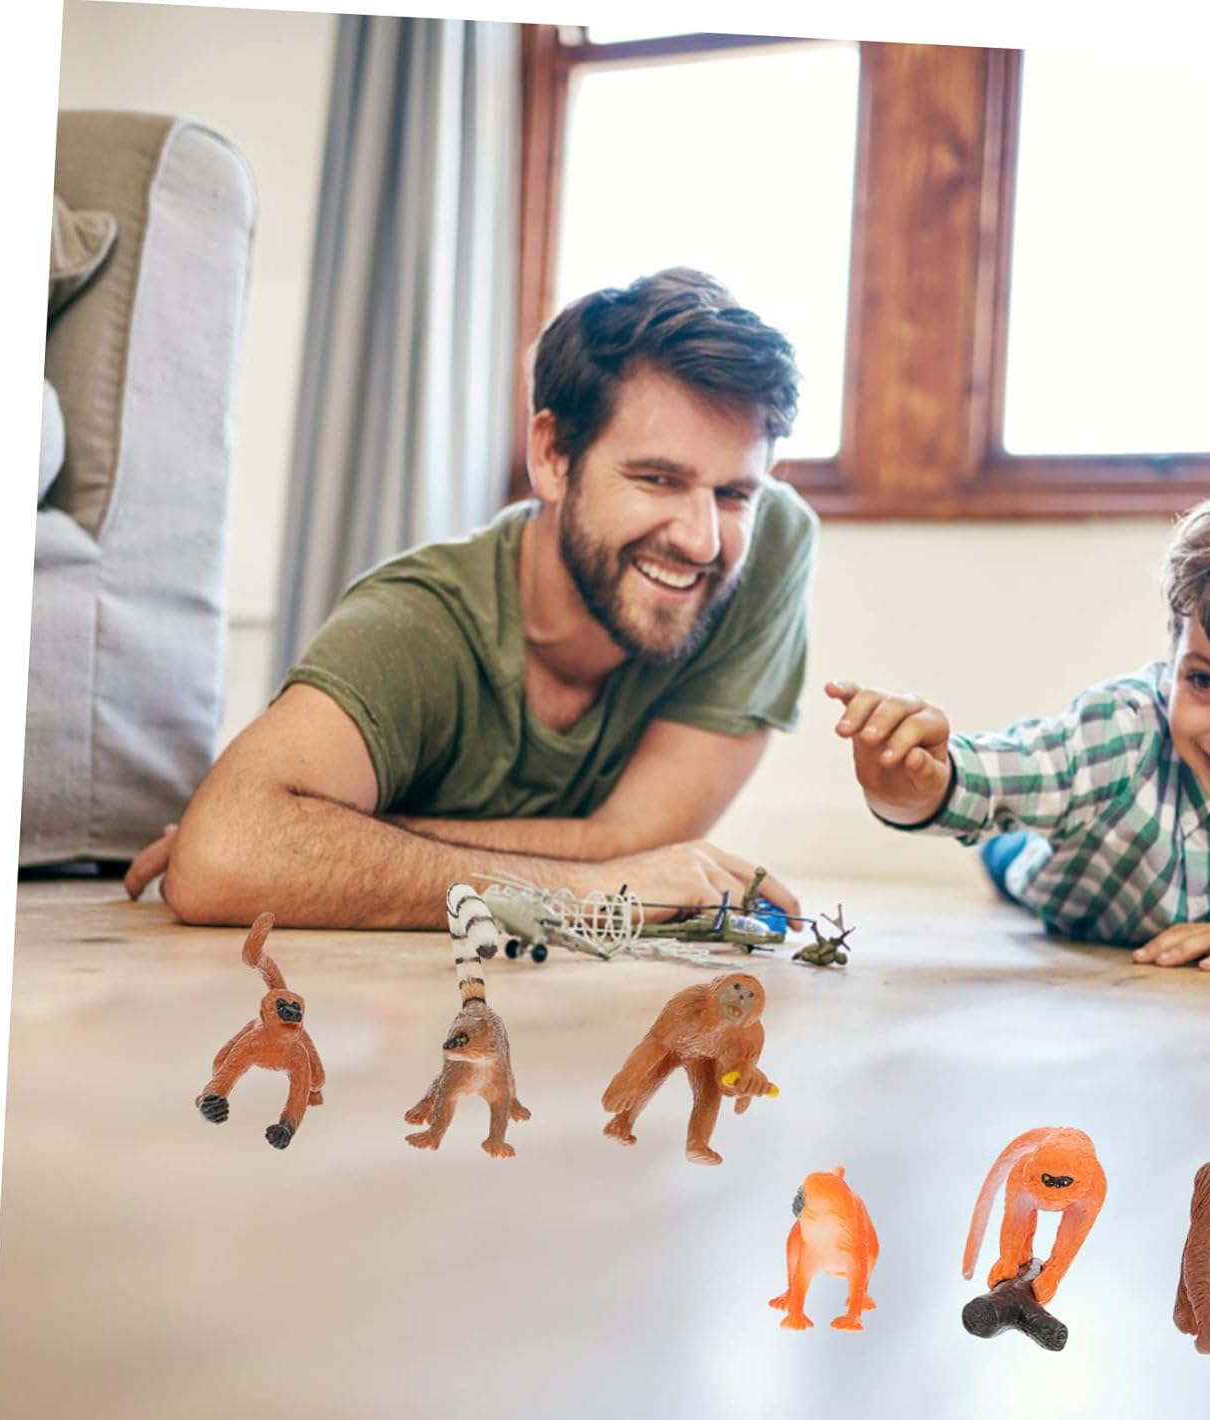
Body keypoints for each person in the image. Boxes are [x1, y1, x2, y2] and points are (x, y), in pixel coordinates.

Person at [126, 268, 818, 928]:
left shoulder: (765, 545)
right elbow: (222, 858)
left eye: (734, 492)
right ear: (552, 455)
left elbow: (635, 840)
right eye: (656, 479)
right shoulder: (415, 624)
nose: (701, 540)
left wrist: (330, 835)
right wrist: (586, 889)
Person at [828, 456, 1210, 975]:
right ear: (1174, 656)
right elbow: (979, 777)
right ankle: (1010, 850)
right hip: (1065, 881)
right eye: (1203, 680)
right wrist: (908, 785)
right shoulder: (1123, 732)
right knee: (1012, 848)